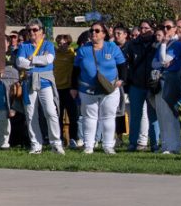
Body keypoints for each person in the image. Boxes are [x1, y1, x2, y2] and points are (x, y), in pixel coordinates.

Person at [74, 24, 127, 154]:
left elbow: (123, 65)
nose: (94, 33)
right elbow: (75, 70)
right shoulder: (82, 50)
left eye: (97, 31)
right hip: (87, 90)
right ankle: (88, 146)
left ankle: (108, 146)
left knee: (108, 117)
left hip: (109, 89)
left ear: (104, 34)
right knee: (89, 118)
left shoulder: (112, 48)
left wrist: (121, 80)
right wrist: (73, 87)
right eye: (91, 31)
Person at [16, 19, 64, 155]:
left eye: (35, 30)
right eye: (29, 30)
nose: (32, 32)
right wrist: (37, 61)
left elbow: (49, 59)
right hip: (29, 81)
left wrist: (31, 59)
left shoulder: (48, 44)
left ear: (42, 32)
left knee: (50, 112)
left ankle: (56, 143)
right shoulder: (24, 46)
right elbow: (20, 62)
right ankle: (36, 145)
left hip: (45, 82)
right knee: (31, 114)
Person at [123, 23, 159, 152]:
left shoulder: (157, 44)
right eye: (141, 28)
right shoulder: (133, 44)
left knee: (153, 116)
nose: (143, 31)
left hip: (152, 86)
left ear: (152, 30)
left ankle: (154, 143)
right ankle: (132, 143)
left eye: (146, 28)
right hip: (136, 85)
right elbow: (126, 62)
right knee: (135, 116)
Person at [154, 20, 181, 154]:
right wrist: (163, 48)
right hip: (160, 80)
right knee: (161, 114)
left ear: (174, 29)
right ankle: (165, 144)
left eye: (168, 27)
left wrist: (164, 45)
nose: (165, 30)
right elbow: (154, 64)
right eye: (163, 27)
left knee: (170, 115)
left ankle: (174, 146)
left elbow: (163, 60)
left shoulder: (176, 44)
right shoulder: (162, 44)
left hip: (171, 80)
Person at [52, 34, 78, 149]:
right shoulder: (54, 55)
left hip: (69, 89)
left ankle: (73, 139)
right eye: (60, 44)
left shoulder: (73, 54)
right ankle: (60, 140)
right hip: (57, 89)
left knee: (73, 115)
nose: (62, 46)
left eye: (65, 43)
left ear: (69, 44)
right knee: (58, 116)